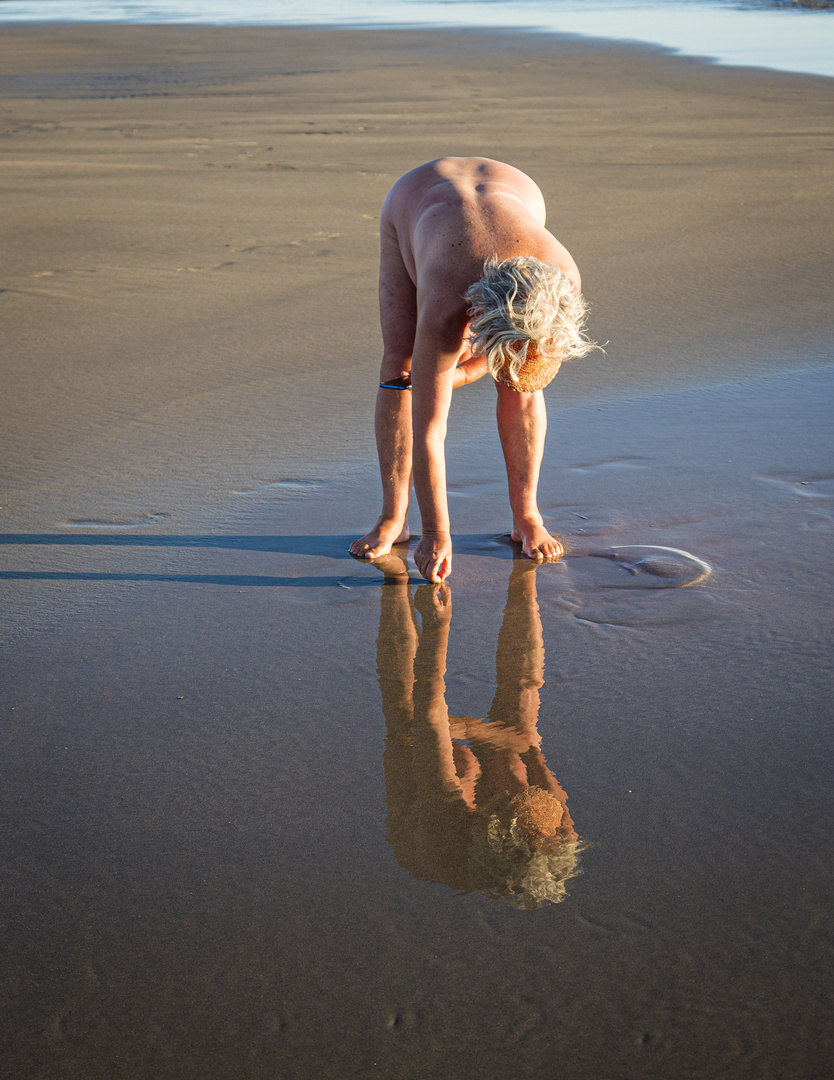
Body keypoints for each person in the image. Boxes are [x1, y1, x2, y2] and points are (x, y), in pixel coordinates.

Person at [349, 156, 597, 583]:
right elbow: (431, 431)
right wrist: (436, 533)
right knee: (400, 363)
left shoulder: (564, 278)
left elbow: (526, 360)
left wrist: (465, 372)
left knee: (521, 377)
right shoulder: (445, 302)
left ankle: (527, 515)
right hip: (415, 201)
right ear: (476, 318)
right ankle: (393, 517)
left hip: (511, 186)